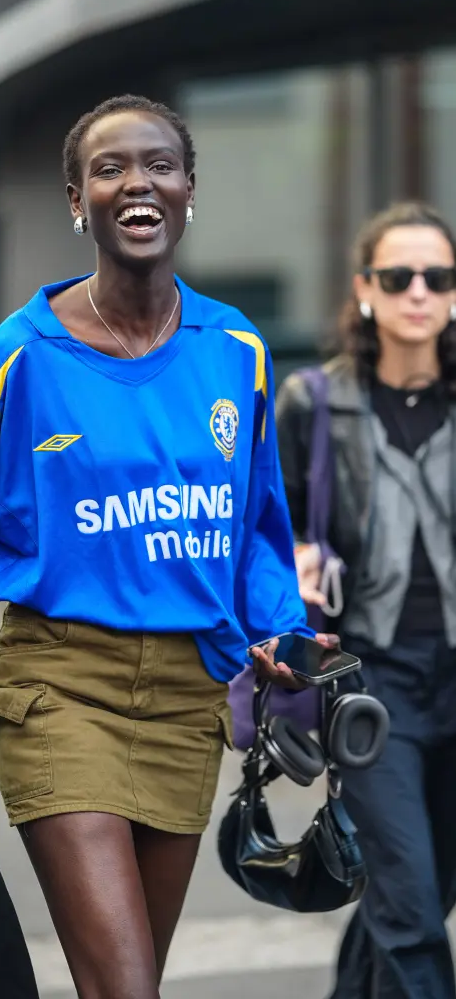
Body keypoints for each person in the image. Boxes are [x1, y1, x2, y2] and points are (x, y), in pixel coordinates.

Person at [0, 94, 330, 999]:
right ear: (77, 200)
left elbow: (255, 525)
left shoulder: (238, 351)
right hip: (61, 690)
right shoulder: (17, 360)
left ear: (187, 191)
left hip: (189, 703)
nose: (137, 182)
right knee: (126, 989)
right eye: (109, 169)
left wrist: (284, 637)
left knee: (129, 981)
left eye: (158, 166)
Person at [276, 201, 456, 999]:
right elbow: (266, 531)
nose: (417, 291)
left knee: (415, 891)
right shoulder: (314, 404)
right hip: (372, 686)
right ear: (364, 290)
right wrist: (295, 568)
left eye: (437, 277)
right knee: (413, 910)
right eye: (397, 276)